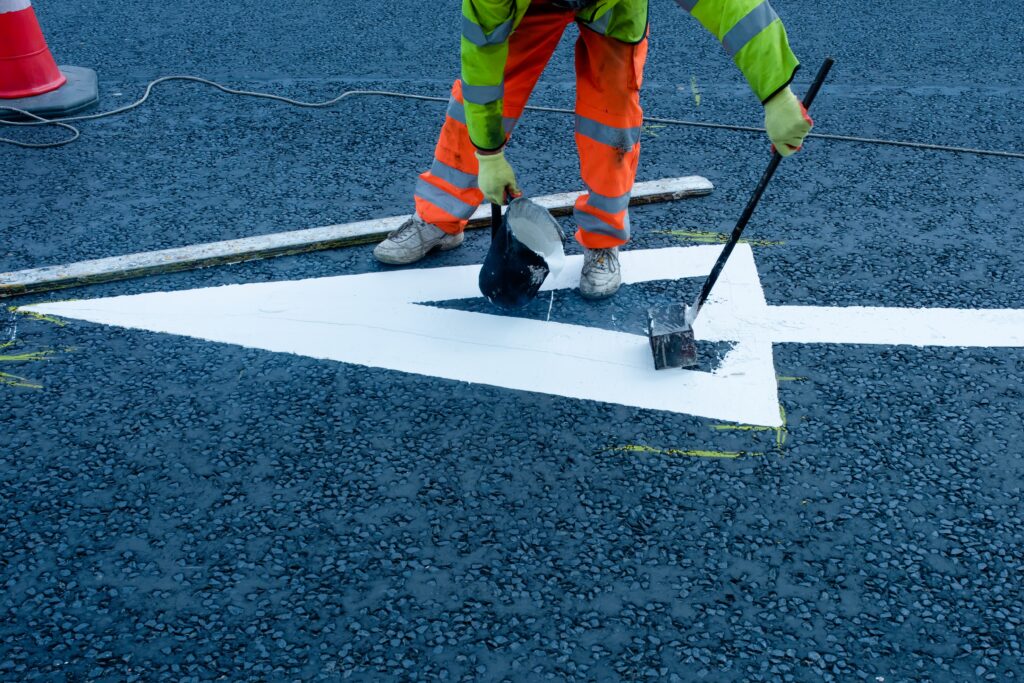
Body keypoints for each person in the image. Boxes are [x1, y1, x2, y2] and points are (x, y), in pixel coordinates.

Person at [374, 0, 813, 299]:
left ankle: (602, 241)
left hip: (614, 5)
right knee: (482, 99)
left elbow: (733, 8)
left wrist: (777, 93)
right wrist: (488, 155)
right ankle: (438, 219)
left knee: (612, 118)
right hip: (528, 6)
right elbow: (482, 58)